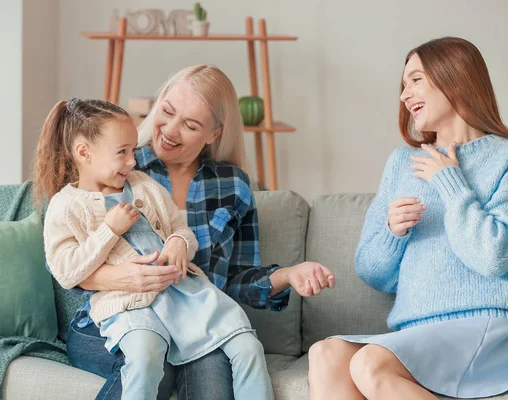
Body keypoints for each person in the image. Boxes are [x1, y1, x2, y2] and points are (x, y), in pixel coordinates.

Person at [64, 65, 337, 400]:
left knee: (213, 379)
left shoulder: (233, 185)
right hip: (115, 318)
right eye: (167, 112)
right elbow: (64, 262)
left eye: (191, 125)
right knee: (155, 366)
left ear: (213, 134)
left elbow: (232, 279)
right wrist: (124, 279)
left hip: (195, 324)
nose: (171, 131)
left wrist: (289, 274)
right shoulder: (124, 166)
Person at [35, 97, 276, 399]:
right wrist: (109, 230)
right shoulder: (65, 206)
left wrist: (178, 242)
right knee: (147, 353)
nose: (132, 161)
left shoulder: (143, 186)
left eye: (133, 151)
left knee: (247, 344)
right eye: (122, 152)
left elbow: (180, 230)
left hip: (184, 293)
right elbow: (66, 270)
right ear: (84, 153)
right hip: (128, 305)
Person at [308, 36, 508, 400]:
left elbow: (494, 256)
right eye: (403, 85)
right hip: (415, 335)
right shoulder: (402, 162)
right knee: (326, 354)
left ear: (456, 77)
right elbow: (371, 272)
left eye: (415, 80)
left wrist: (451, 183)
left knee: (370, 363)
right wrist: (391, 232)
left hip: (483, 326)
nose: (404, 94)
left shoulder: (503, 158)